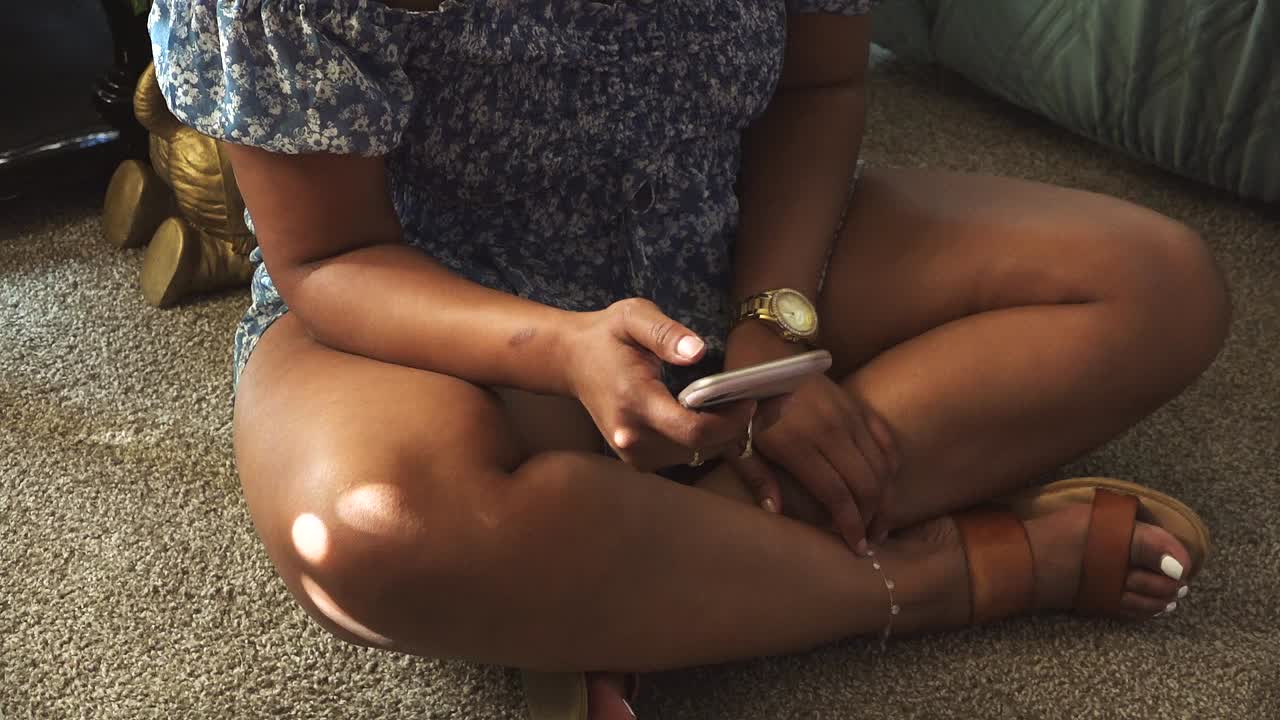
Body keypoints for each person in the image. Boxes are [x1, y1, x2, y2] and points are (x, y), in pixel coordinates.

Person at [150, 0, 1230, 717]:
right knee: (376, 530)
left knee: (1151, 285)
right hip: (446, 324)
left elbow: (815, 92)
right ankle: (936, 577)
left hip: (728, 238)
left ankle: (634, 575)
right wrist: (559, 346)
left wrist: (773, 330)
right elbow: (333, 255)